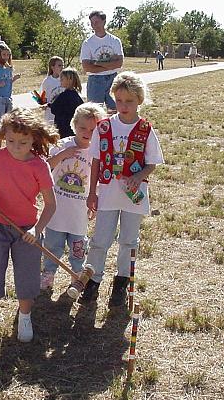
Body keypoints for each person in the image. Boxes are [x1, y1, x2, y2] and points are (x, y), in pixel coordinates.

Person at [0, 108, 57, 352]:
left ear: (34, 140)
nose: (16, 147)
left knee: (27, 275)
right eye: (10, 141)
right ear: (2, 137)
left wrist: (37, 230)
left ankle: (25, 317)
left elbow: (50, 204)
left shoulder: (39, 166)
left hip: (26, 230)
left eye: (23, 142)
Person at [80, 71, 164, 308]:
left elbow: (152, 163)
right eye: (119, 100)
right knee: (99, 240)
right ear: (112, 98)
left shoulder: (145, 130)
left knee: (129, 241)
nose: (123, 105)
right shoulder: (104, 127)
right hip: (107, 194)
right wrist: (92, 192)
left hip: (133, 197)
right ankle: (92, 281)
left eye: (129, 101)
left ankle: (121, 282)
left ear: (139, 100)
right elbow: (96, 160)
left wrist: (139, 176)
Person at [41, 103, 106, 292]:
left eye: (93, 129)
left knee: (78, 249)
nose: (87, 133)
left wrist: (95, 203)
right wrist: (63, 155)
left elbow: (100, 181)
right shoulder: (62, 144)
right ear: (74, 125)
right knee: (52, 246)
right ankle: (48, 275)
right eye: (82, 128)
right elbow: (45, 167)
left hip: (79, 213)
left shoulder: (98, 153)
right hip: (56, 210)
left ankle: (77, 278)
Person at [80, 10, 124, 111]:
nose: (94, 25)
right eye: (92, 23)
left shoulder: (115, 41)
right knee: (94, 112)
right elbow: (86, 67)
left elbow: (119, 63)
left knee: (116, 110)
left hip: (113, 79)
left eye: (96, 22)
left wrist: (96, 63)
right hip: (95, 80)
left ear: (104, 21)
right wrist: (109, 64)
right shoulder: (88, 43)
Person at [47, 67, 84, 138]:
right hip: (73, 127)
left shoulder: (64, 95)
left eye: (62, 79)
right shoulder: (76, 95)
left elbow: (54, 109)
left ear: (69, 80)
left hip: (63, 127)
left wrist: (51, 105)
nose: (60, 81)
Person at [40, 56, 64, 123]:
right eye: (59, 65)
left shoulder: (65, 79)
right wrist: (43, 104)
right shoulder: (47, 81)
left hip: (63, 111)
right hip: (51, 113)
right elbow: (43, 97)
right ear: (52, 67)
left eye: (62, 65)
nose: (62, 67)